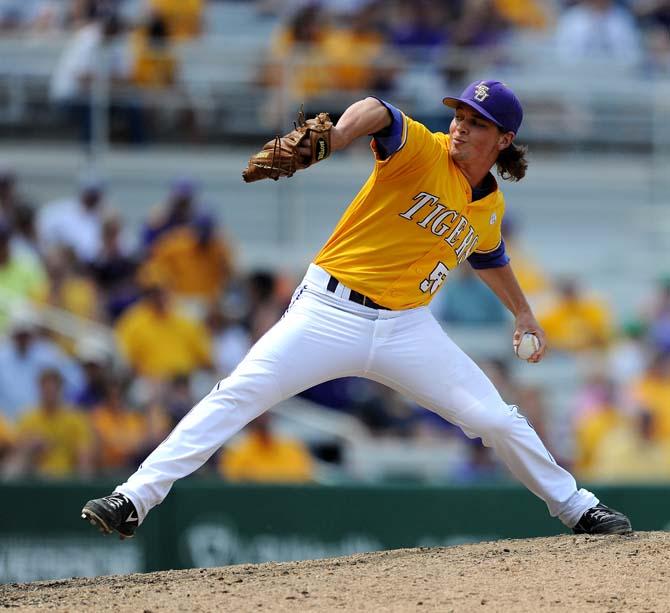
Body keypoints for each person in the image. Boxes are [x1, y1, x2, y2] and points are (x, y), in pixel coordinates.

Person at [82, 80, 632, 538]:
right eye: (460, 113)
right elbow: (377, 109)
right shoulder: (423, 149)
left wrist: (524, 312)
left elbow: (490, 254)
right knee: (237, 395)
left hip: (407, 329)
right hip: (329, 309)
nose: (461, 125)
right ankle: (132, 498)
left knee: (495, 418)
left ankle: (578, 508)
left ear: (504, 139)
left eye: (477, 121)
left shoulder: (490, 204)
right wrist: (339, 135)